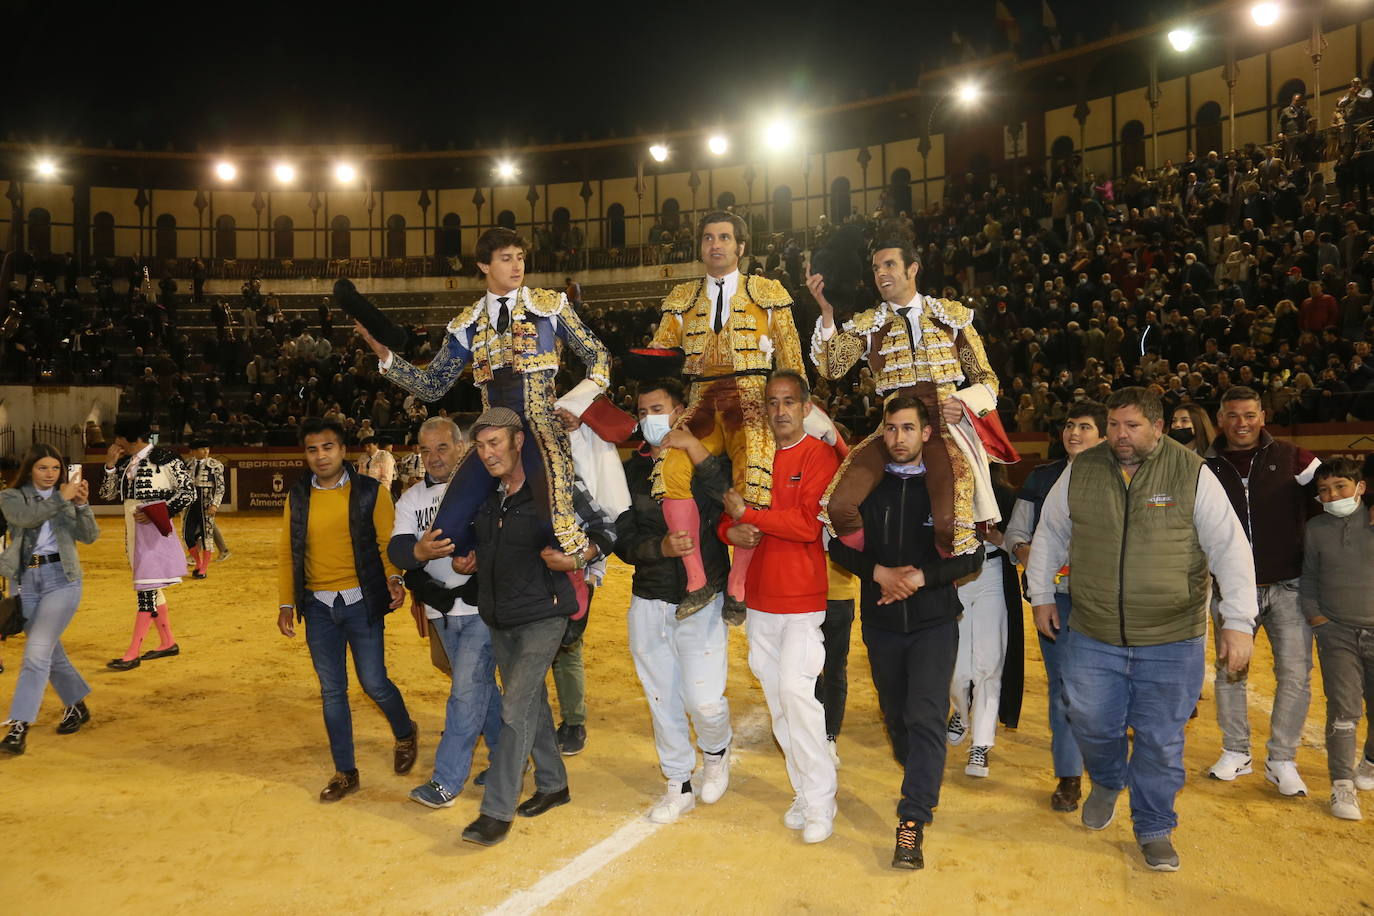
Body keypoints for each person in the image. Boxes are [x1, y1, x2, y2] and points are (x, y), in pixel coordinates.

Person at [1027, 387, 1257, 872]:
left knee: (1160, 739)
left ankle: (1154, 826)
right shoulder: (1083, 468)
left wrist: (1237, 622)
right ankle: (1109, 779)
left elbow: (1230, 548)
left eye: (1130, 426)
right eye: (1112, 425)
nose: (1119, 436)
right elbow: (1050, 531)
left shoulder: (1192, 473)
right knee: (1088, 720)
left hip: (1172, 638)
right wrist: (1042, 594)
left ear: (1158, 427)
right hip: (1092, 631)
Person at [352, 227, 611, 567]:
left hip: (541, 427)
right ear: (484, 266)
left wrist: (576, 405)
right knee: (446, 531)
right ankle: (481, 556)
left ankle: (578, 576)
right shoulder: (469, 323)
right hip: (490, 435)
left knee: (557, 527)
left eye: (520, 258)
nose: (517, 266)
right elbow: (433, 385)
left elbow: (598, 356)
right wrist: (387, 357)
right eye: (506, 259)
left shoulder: (549, 306)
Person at [828, 396, 985, 869]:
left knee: (924, 716)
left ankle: (912, 818)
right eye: (891, 429)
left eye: (908, 429)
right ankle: (918, 768)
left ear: (926, 433)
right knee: (897, 719)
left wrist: (916, 578)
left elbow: (973, 555)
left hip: (934, 621)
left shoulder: (948, 486)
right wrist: (878, 573)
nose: (899, 438)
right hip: (881, 623)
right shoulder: (867, 489)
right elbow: (837, 546)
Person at [459, 407, 617, 847]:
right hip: (500, 616)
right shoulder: (485, 495)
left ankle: (496, 810)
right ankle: (553, 783)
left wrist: (579, 557)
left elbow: (608, 528)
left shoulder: (555, 488)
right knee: (531, 707)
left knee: (513, 710)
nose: (487, 453)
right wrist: (467, 560)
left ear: (518, 442)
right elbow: (484, 544)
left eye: (495, 443)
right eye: (481, 445)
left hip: (544, 615)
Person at [644, 210, 805, 620]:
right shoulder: (682, 299)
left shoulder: (768, 293)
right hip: (699, 398)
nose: (715, 245)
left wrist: (791, 411)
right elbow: (658, 357)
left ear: (741, 247)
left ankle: (738, 585)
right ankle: (697, 581)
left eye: (724, 238)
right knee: (667, 466)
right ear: (700, 247)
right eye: (709, 238)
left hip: (752, 396)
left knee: (754, 473)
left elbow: (792, 364)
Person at [811, 239, 1006, 562]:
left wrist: (966, 403)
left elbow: (987, 378)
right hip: (893, 428)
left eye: (889, 265)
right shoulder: (870, 323)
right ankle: (881, 569)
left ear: (912, 268)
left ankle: (937, 589)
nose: (880, 274)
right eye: (875, 268)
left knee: (949, 525)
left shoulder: (951, 316)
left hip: (945, 428)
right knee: (839, 506)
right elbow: (832, 368)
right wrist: (827, 312)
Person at [716, 370, 839, 844]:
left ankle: (821, 799)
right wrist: (734, 530)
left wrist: (750, 517)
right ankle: (806, 793)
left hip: (803, 598)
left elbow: (808, 525)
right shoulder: (754, 461)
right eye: (773, 402)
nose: (781, 410)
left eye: (789, 401)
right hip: (761, 600)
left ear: (806, 407)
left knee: (796, 695)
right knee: (778, 702)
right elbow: (724, 523)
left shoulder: (819, 456)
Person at [276, 417, 418, 803]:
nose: (320, 456)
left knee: (373, 682)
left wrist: (395, 579)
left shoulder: (371, 491)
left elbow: (388, 542)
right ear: (305, 455)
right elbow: (289, 553)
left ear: (343, 451)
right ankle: (345, 772)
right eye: (312, 449)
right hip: (318, 609)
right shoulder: (298, 495)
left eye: (328, 447)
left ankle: (405, 732)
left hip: (361, 603)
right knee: (332, 691)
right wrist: (287, 601)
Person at [615, 379, 734, 823]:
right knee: (662, 697)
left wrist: (693, 448)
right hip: (650, 595)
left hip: (702, 597)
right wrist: (657, 549)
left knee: (704, 700)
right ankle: (678, 782)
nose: (650, 419)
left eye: (658, 408)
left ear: (680, 410)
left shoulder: (704, 457)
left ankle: (717, 750)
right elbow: (621, 537)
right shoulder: (630, 470)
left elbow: (730, 497)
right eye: (643, 411)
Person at [1202, 386, 1321, 796]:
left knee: (1295, 674)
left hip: (1289, 586)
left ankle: (1282, 760)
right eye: (1233, 415)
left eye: (1249, 415)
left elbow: (1334, 488)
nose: (1241, 423)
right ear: (1220, 419)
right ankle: (1236, 751)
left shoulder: (1293, 457)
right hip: (1232, 592)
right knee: (1230, 671)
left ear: (1263, 416)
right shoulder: (1204, 466)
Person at [387, 416, 501, 809]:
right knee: (481, 688)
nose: (433, 457)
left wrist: (478, 561)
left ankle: (447, 780)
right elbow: (398, 551)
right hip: (441, 611)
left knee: (465, 692)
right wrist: (418, 554)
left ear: (460, 448)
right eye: (425, 450)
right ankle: (508, 758)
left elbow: (503, 539)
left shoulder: (483, 488)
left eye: (442, 448)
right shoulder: (411, 498)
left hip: (479, 607)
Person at [1003, 400, 1107, 811]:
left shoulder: (1120, 476)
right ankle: (1069, 774)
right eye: (1069, 425)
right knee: (1063, 687)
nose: (1074, 433)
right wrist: (1028, 550)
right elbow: (1015, 531)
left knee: (1106, 686)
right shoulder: (1042, 477)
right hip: (1055, 600)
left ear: (1103, 436)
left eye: (1085, 427)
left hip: (1107, 600)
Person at [0, 446, 99, 755]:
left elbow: (90, 536)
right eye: (43, 468)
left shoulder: (65, 497)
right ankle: (76, 705)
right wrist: (62, 498)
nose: (50, 474)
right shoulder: (12, 498)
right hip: (27, 582)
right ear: (30, 469)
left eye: (55, 468)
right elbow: (26, 519)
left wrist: (82, 505)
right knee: (49, 650)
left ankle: (19, 726)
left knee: (36, 653)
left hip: (63, 579)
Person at [1299, 458, 1374, 820]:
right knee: (1344, 709)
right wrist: (1319, 620)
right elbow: (1309, 577)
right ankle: (1342, 785)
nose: (1332, 495)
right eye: (1324, 490)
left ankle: (1370, 763)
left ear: (1360, 487)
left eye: (1341, 487)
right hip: (1337, 632)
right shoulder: (1315, 528)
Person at [99, 418, 195, 671]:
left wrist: (160, 510)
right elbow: (107, 495)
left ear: (129, 438)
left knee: (145, 593)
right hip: (132, 532)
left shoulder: (165, 458)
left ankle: (132, 653)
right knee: (151, 590)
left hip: (153, 533)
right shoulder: (125, 462)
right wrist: (109, 466)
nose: (115, 443)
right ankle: (167, 642)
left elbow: (188, 492)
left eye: (118, 438)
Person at [946, 463, 1023, 779]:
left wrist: (994, 534)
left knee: (989, 664)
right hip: (956, 576)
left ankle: (981, 743)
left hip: (992, 573)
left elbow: (1018, 547)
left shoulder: (1005, 494)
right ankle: (961, 713)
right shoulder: (947, 486)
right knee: (956, 664)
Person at [182, 439, 225, 580]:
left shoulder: (215, 465)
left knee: (207, 536)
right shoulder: (187, 464)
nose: (206, 451)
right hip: (190, 504)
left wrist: (215, 505)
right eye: (202, 449)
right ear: (194, 451)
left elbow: (220, 488)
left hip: (206, 504)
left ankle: (203, 569)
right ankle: (198, 562)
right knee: (187, 535)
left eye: (207, 448)